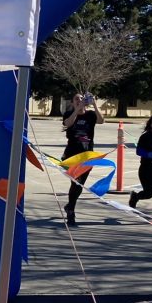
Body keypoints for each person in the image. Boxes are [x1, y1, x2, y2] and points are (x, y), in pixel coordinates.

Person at [60, 92, 104, 225]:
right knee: (75, 182)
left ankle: (70, 206)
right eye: (76, 99)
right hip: (72, 155)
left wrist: (95, 104)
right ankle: (71, 211)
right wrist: (77, 110)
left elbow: (101, 120)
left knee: (79, 184)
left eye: (82, 99)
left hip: (87, 155)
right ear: (72, 102)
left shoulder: (90, 115)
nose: (79, 100)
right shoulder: (69, 114)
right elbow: (68, 124)